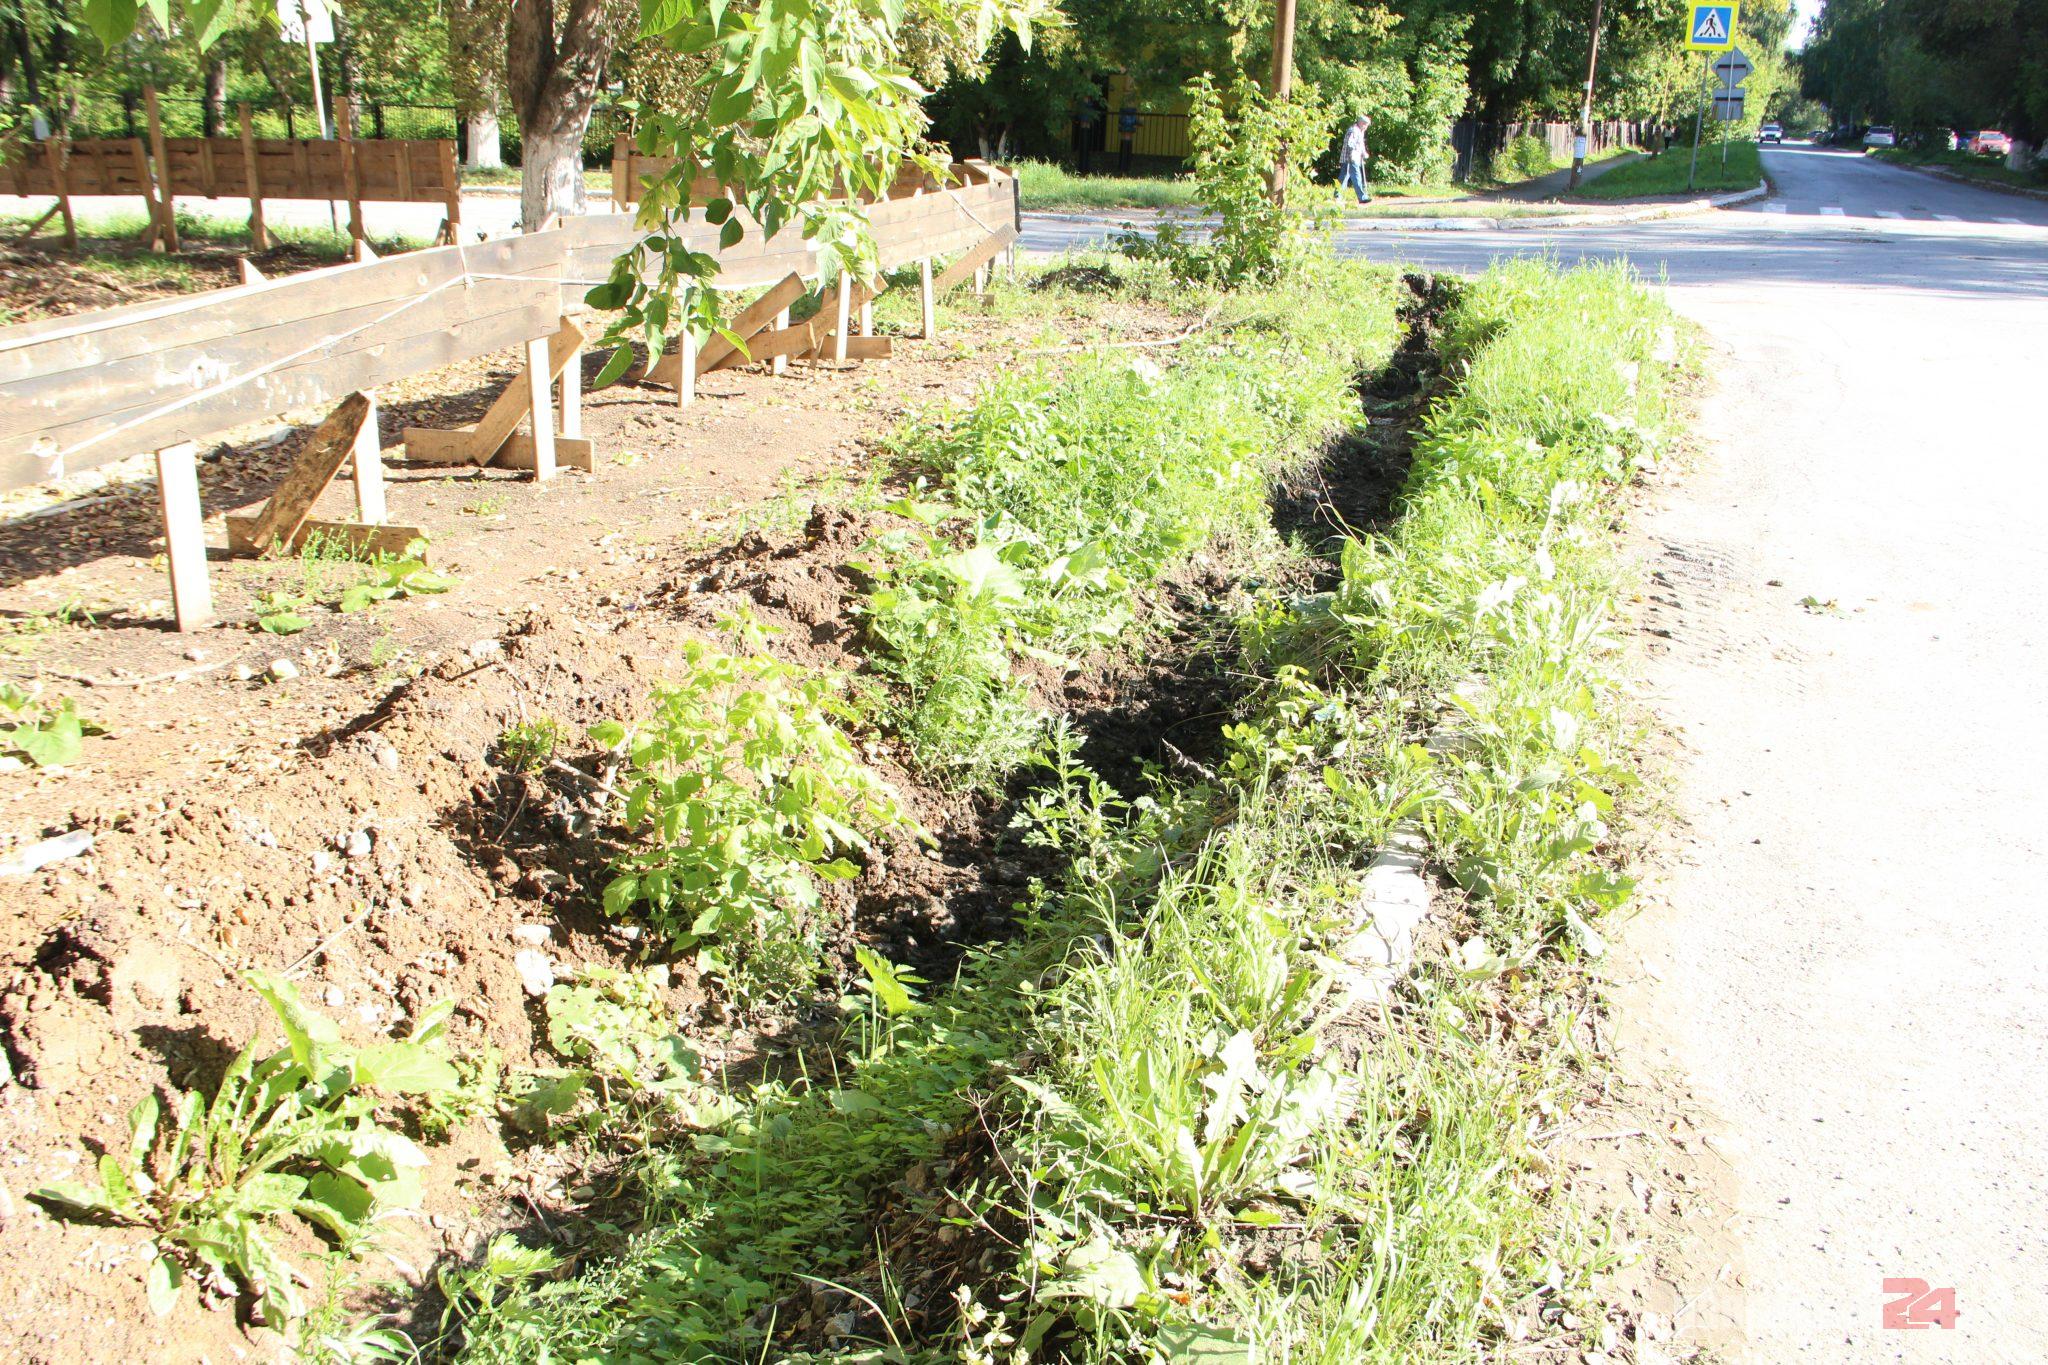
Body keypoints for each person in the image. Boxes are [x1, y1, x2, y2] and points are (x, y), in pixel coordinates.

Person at [1338, 115, 1372, 204]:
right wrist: (1353, 154)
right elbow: (1350, 144)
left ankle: (1338, 195)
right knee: (1356, 177)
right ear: (1361, 123)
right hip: (1350, 158)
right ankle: (1362, 197)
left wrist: (1364, 153)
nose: (1366, 127)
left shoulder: (1360, 131)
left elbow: (1360, 144)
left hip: (1353, 158)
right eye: (1366, 125)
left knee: (1344, 177)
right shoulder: (1353, 130)